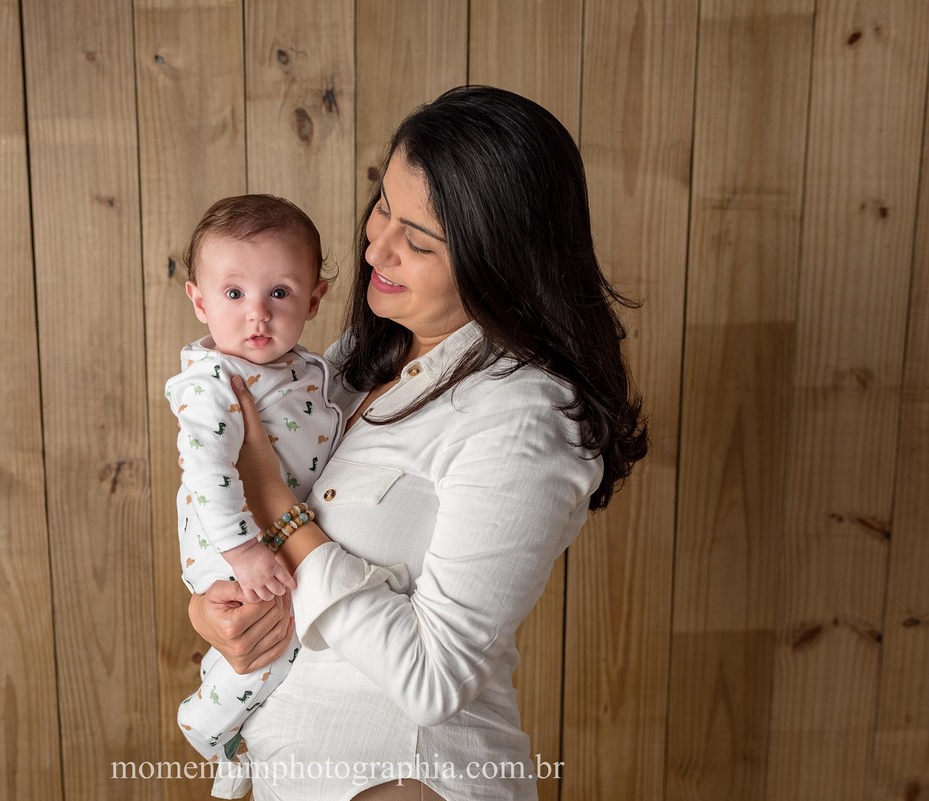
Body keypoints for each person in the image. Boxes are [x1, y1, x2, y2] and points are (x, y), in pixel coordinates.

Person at [188, 85, 649, 800]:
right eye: (383, 206)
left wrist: (273, 502)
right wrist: (215, 611)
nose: (377, 247)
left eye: (420, 240)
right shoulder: (349, 362)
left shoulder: (524, 415)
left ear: (499, 261)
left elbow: (435, 679)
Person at [165, 194, 343, 796]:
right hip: (232, 544)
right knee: (270, 641)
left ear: (314, 299)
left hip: (271, 540)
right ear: (200, 301)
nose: (257, 315)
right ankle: (207, 726)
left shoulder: (307, 370)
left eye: (280, 293)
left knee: (280, 644)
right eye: (234, 293)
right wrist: (242, 551)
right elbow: (205, 468)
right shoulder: (212, 381)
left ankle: (235, 743)